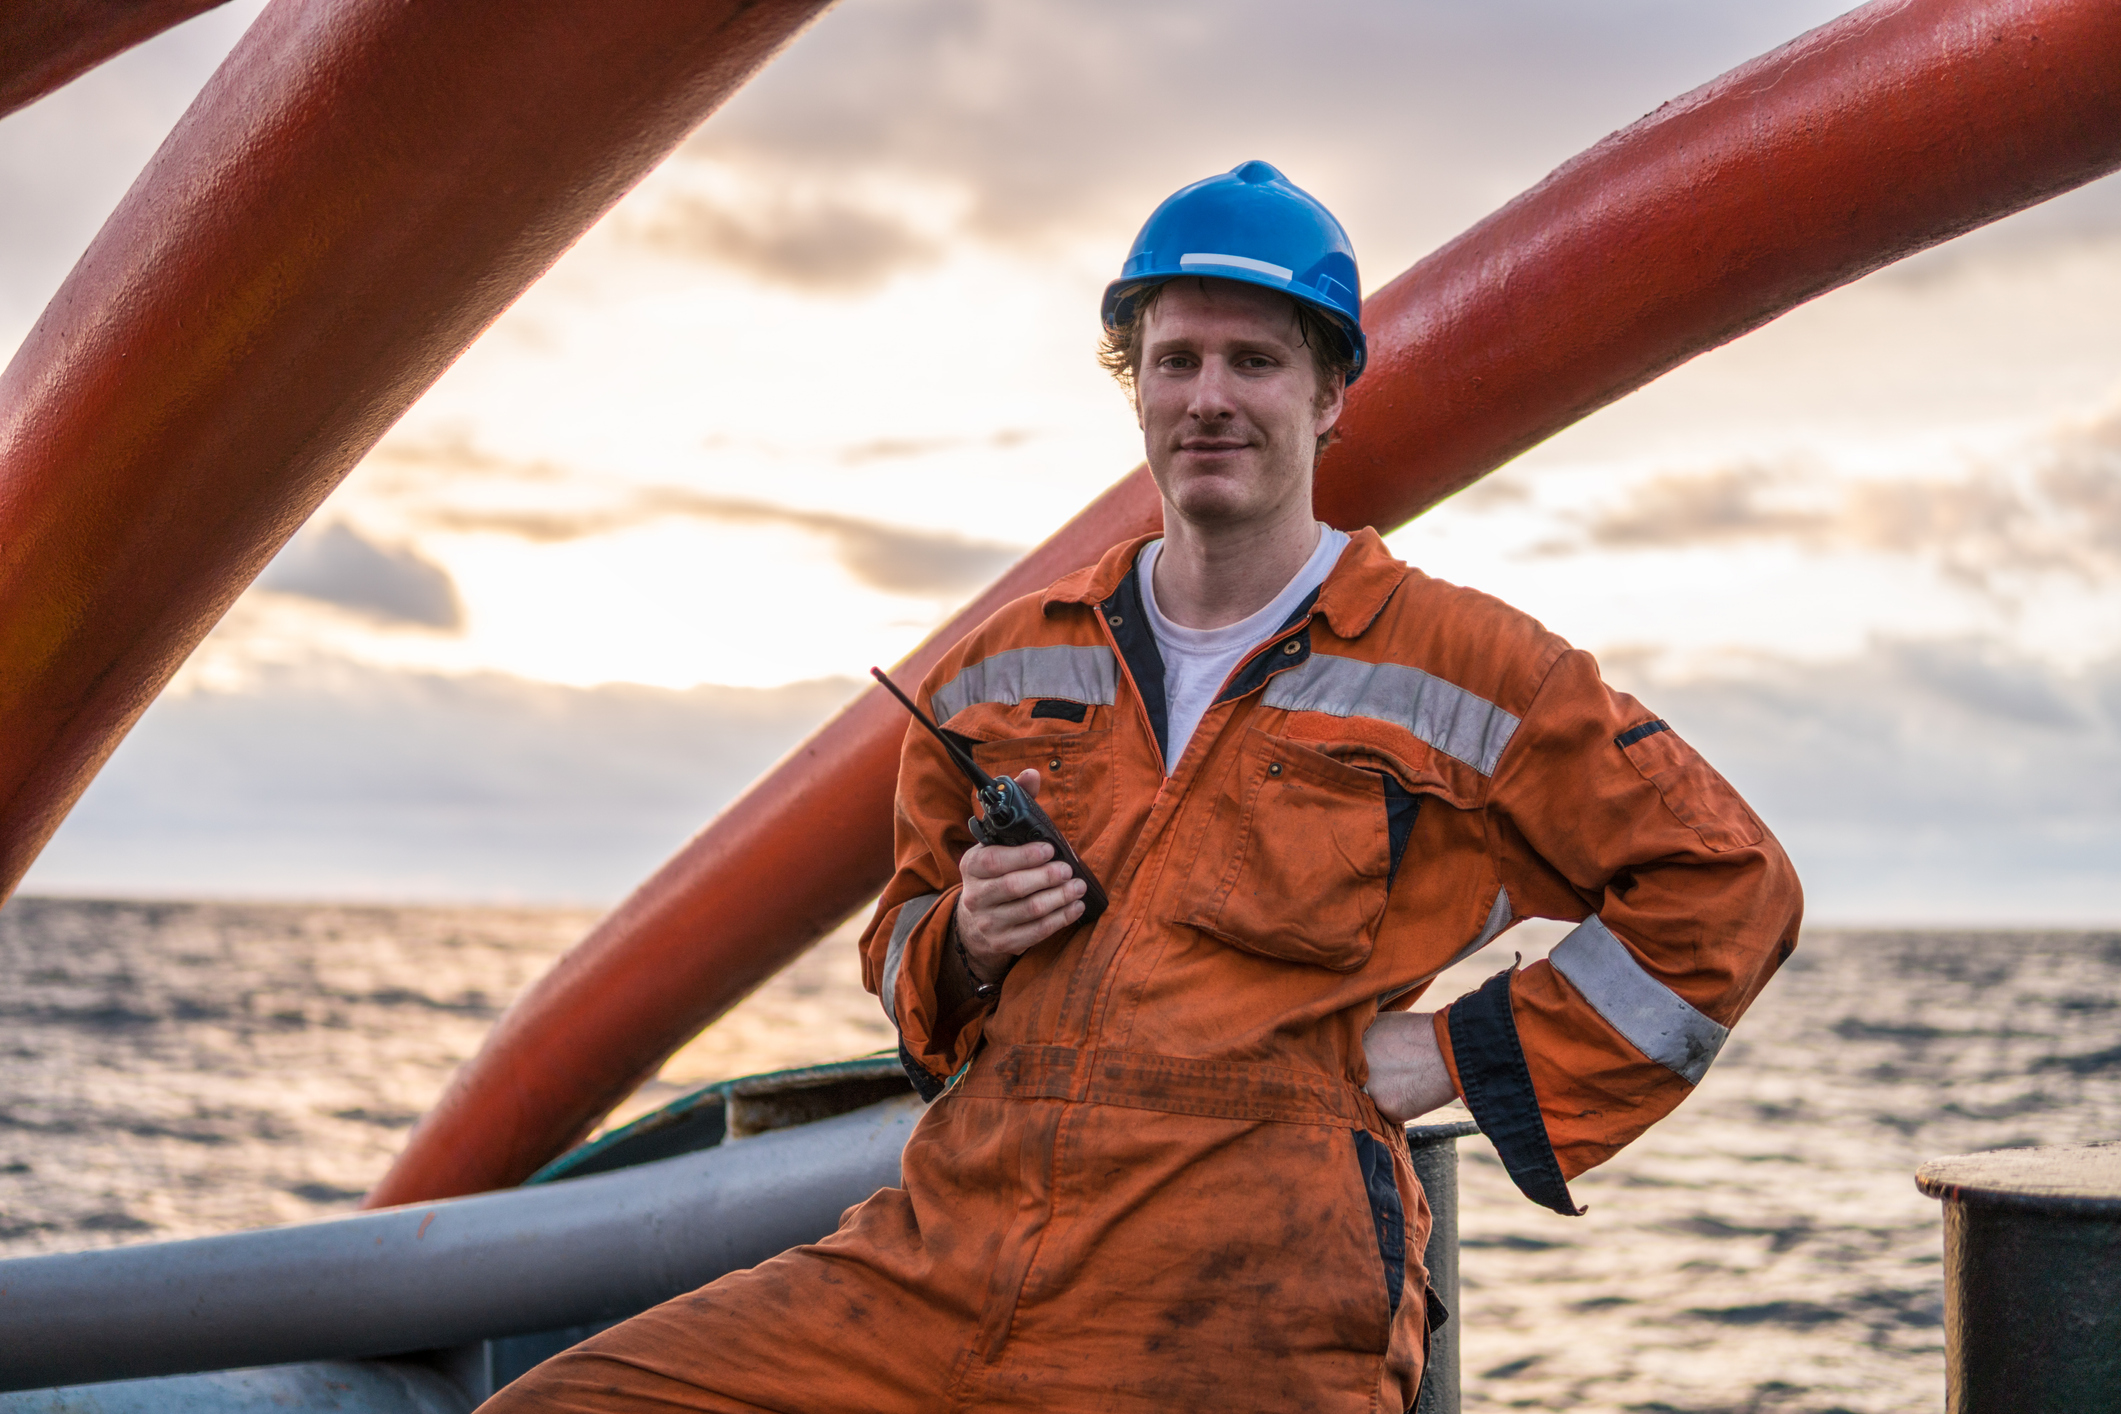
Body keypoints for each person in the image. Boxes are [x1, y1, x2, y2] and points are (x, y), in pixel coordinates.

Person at [485, 160, 1802, 1413]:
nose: (1208, 397)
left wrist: (1454, 1051)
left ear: (1329, 390)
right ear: (1133, 387)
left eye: (1254, 361)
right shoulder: (1003, 666)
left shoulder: (1462, 663)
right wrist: (964, 937)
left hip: (1248, 1298)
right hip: (944, 1260)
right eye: (1174, 359)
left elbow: (1727, 888)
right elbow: (899, 955)